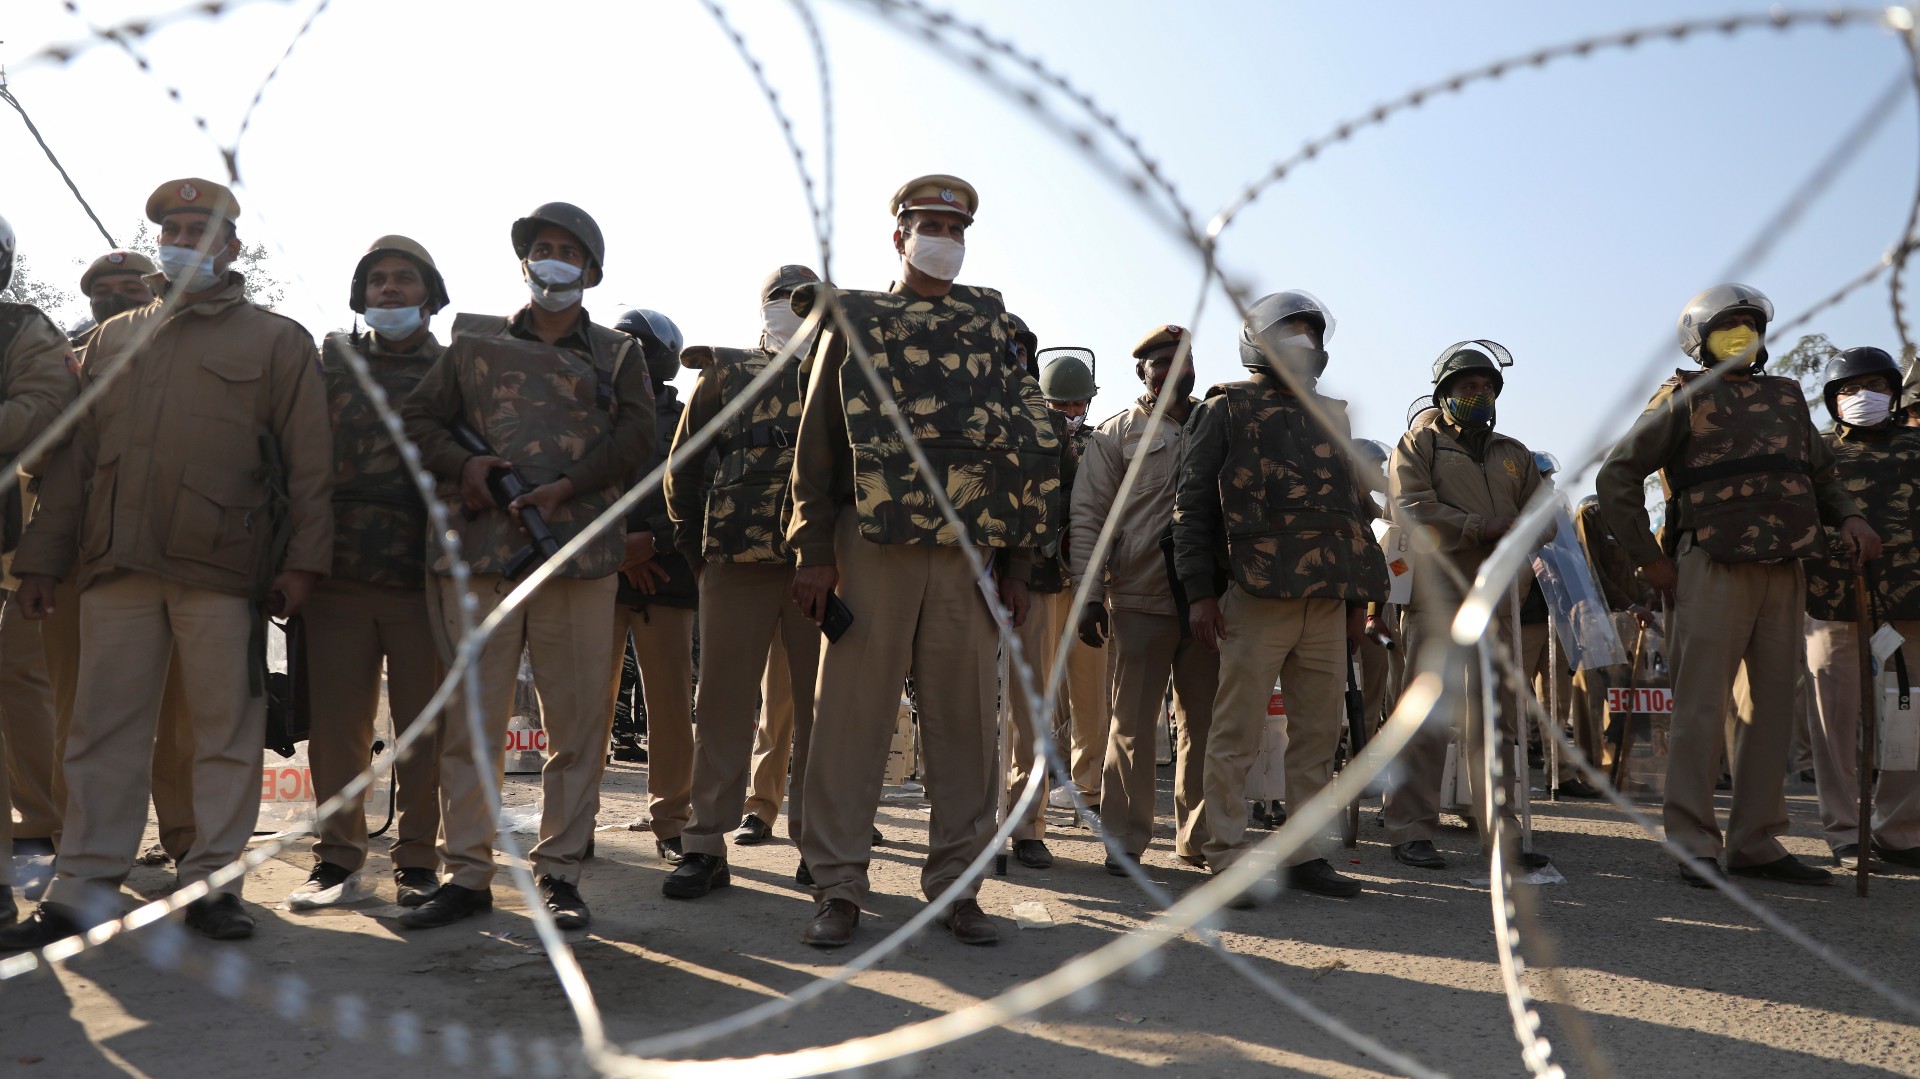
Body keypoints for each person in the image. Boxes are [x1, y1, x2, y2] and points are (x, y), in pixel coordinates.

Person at [3, 179, 332, 947]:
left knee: (223, 732)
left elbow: (311, 463)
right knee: (98, 731)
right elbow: (74, 462)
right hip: (116, 565)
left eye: (200, 229)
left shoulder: (277, 341)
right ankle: (81, 885)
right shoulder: (113, 341)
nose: (184, 241)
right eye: (173, 229)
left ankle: (212, 887)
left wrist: (304, 562)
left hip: (223, 567)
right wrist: (45, 560)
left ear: (231, 247)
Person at [787, 174, 1060, 948]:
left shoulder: (992, 324)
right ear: (898, 235)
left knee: (968, 725)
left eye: (955, 225)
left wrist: (1019, 558)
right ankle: (838, 885)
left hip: (967, 555)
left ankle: (958, 886)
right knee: (850, 722)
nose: (944, 236)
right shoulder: (855, 318)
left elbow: (1024, 441)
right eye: (929, 223)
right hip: (870, 546)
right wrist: (812, 551)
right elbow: (817, 445)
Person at [399, 201, 652, 929]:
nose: (553, 260)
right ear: (524, 260)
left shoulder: (618, 353)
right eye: (542, 247)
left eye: (568, 251)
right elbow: (420, 418)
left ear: (592, 271)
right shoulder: (474, 345)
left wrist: (567, 486)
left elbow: (639, 437)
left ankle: (561, 873)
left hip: (573, 557)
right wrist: (469, 462)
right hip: (481, 555)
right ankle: (467, 874)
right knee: (472, 724)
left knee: (574, 726)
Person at [1596, 283, 1875, 887]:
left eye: (1751, 324)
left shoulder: (1788, 396)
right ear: (1700, 340)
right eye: (1729, 326)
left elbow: (1820, 475)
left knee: (1773, 709)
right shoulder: (1682, 396)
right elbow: (1617, 476)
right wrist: (1650, 561)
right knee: (1701, 706)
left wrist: (1850, 515)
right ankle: (1693, 841)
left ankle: (1756, 842)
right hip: (1712, 565)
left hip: (1785, 567)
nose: (1742, 334)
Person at [1175, 291, 1387, 900]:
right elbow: (1191, 507)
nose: (1305, 345)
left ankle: (1304, 856)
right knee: (1236, 731)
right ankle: (1225, 852)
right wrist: (1199, 594)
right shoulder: (1226, 408)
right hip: (1255, 592)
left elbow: (1352, 513)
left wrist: (1357, 602)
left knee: (1318, 735)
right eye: (1290, 334)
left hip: (1325, 599)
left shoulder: (1333, 415)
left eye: (1310, 335)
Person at [292, 236, 452, 910]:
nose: (389, 290)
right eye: (377, 281)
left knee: (423, 729)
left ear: (429, 295)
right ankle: (336, 856)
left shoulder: (457, 371)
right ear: (362, 296)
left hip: (423, 576)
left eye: (404, 280)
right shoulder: (331, 365)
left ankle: (418, 858)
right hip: (340, 572)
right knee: (337, 730)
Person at [662, 265, 825, 897]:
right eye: (778, 300)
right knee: (723, 706)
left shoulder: (838, 376)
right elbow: (683, 468)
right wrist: (695, 551)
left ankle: (821, 844)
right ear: (761, 309)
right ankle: (704, 846)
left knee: (820, 713)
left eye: (802, 301)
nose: (789, 309)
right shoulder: (724, 374)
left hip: (818, 567)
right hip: (733, 563)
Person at [1385, 339, 1552, 871]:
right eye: (1467, 387)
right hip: (1438, 596)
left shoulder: (1515, 454)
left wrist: (1522, 531)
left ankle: (1501, 833)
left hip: (1497, 597)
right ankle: (1411, 830)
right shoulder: (1420, 444)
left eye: (1486, 387)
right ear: (1445, 392)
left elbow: (1545, 515)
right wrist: (1481, 526)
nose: (1478, 395)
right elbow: (1410, 507)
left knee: (1497, 717)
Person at [1071, 324, 1217, 874]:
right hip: (1138, 595)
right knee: (1131, 725)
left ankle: (1198, 838)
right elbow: (1088, 517)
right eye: (1163, 363)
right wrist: (1088, 595)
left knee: (1203, 723)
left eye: (1185, 361)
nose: (1177, 371)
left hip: (1206, 602)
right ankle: (1126, 842)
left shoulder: (1213, 425)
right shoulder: (1116, 436)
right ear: (1143, 373)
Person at [1799, 346, 1920, 870]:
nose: (1863, 396)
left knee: (1906, 721)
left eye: (1875, 385)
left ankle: (1899, 830)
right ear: (1831, 399)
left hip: (1909, 602)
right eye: (1849, 388)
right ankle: (1845, 831)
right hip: (1832, 600)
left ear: (1894, 392)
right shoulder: (1814, 453)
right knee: (1834, 721)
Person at [0, 213, 80, 924]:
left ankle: (48, 826)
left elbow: (42, 408)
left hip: (7, 548)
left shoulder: (23, 327)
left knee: (26, 692)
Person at [607, 308, 699, 866]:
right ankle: (572, 825)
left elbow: (696, 489)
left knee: (668, 707)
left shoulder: (688, 419)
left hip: (667, 576)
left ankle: (672, 823)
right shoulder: (594, 415)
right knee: (585, 709)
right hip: (600, 573)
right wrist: (619, 546)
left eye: (633, 346)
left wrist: (651, 543)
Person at [997, 322, 1081, 870]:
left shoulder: (1050, 427)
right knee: (967, 711)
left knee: (1031, 714)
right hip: (957, 579)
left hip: (1035, 580)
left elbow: (1071, 501)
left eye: (1019, 351)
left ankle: (1028, 825)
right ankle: (973, 824)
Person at [1035, 349, 1109, 816]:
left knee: (1090, 694)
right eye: (1062, 407)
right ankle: (1027, 791)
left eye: (1078, 406)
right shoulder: (1030, 441)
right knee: (1035, 694)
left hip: (1088, 585)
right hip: (1041, 581)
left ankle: (1089, 789)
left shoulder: (1102, 446)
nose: (1072, 415)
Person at [1571, 494, 1657, 779]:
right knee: (1593, 698)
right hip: (1595, 618)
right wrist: (1629, 604)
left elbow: (1640, 568)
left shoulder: (1629, 519)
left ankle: (1616, 767)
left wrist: (1645, 599)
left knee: (1622, 699)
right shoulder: (1591, 514)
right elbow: (1591, 571)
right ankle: (1590, 769)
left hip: (1628, 624)